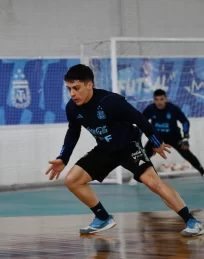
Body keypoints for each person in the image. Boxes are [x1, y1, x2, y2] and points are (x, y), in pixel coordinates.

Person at [45, 64, 203, 237]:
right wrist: (63, 158)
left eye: (76, 88)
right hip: (105, 149)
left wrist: (156, 141)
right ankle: (103, 218)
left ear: (89, 85)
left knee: (154, 183)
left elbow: (140, 119)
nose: (72, 94)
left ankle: (192, 221)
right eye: (69, 89)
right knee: (72, 180)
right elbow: (73, 131)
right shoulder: (72, 108)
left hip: (128, 146)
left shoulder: (110, 101)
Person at [142, 89, 204, 176]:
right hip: (157, 138)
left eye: (161, 99)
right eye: (156, 99)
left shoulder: (173, 109)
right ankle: (137, 175)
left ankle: (202, 171)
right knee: (143, 156)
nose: (159, 102)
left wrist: (185, 137)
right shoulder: (150, 109)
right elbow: (141, 123)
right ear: (153, 100)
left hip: (174, 137)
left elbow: (185, 121)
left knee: (187, 154)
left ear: (166, 99)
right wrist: (138, 137)